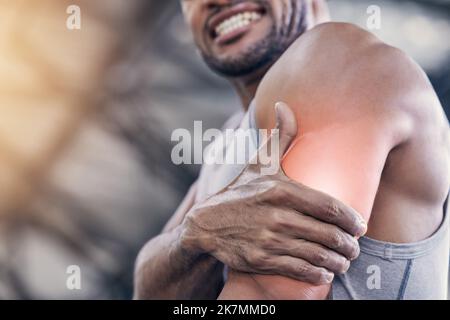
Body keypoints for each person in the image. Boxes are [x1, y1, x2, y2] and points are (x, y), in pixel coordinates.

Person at [134, 0, 449, 299]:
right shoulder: (226, 142)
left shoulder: (339, 61)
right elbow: (146, 288)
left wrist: (197, 244)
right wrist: (191, 237)